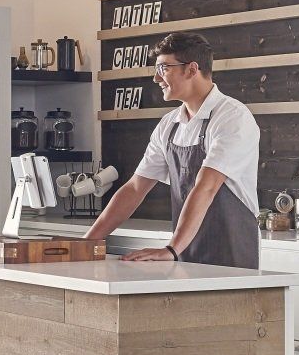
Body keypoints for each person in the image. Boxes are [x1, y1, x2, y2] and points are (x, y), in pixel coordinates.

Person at [84, 32, 262, 267]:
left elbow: (206, 187)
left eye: (163, 68)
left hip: (230, 253)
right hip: (184, 252)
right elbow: (135, 188)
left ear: (191, 69)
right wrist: (87, 243)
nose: (156, 79)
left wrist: (171, 249)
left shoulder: (232, 117)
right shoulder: (169, 125)